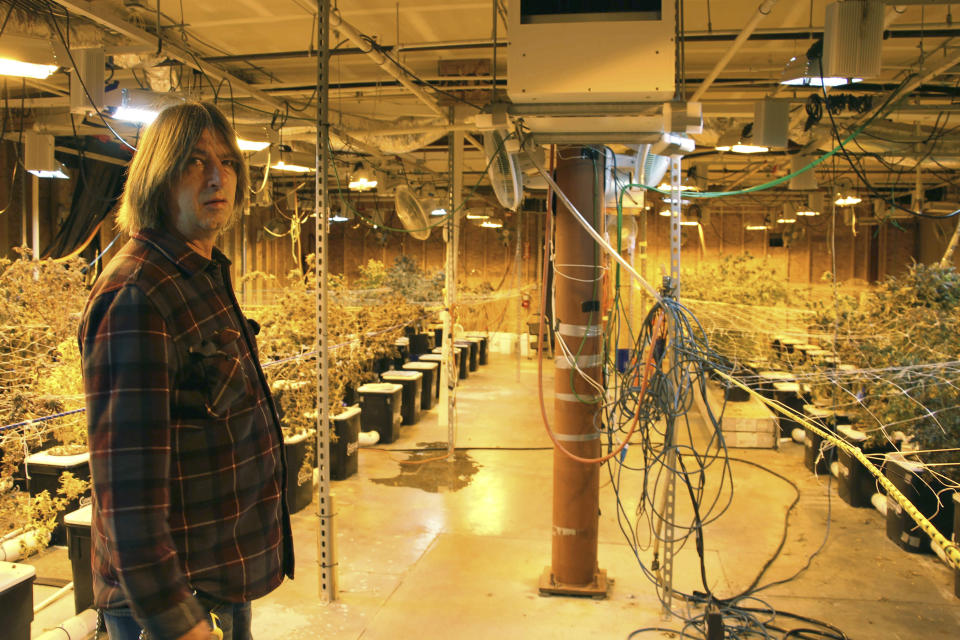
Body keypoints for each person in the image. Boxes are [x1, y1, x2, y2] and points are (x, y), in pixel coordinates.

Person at [78, 102, 294, 640]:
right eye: (195, 162)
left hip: (214, 585)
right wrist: (176, 620)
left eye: (227, 161)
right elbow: (124, 489)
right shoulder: (139, 295)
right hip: (173, 606)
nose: (218, 176)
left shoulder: (197, 274)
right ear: (159, 177)